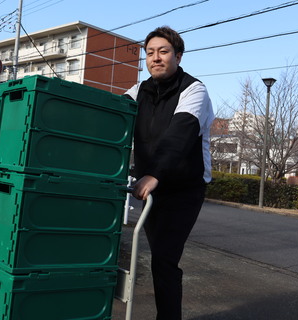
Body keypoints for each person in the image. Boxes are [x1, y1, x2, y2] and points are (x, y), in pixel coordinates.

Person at [124, 26, 214, 320]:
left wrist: (154, 173)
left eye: (163, 52)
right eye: (150, 53)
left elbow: (180, 134)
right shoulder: (139, 91)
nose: (155, 58)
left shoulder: (194, 90)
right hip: (151, 186)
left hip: (183, 189)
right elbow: (110, 114)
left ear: (178, 55)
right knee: (157, 258)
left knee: (164, 259)